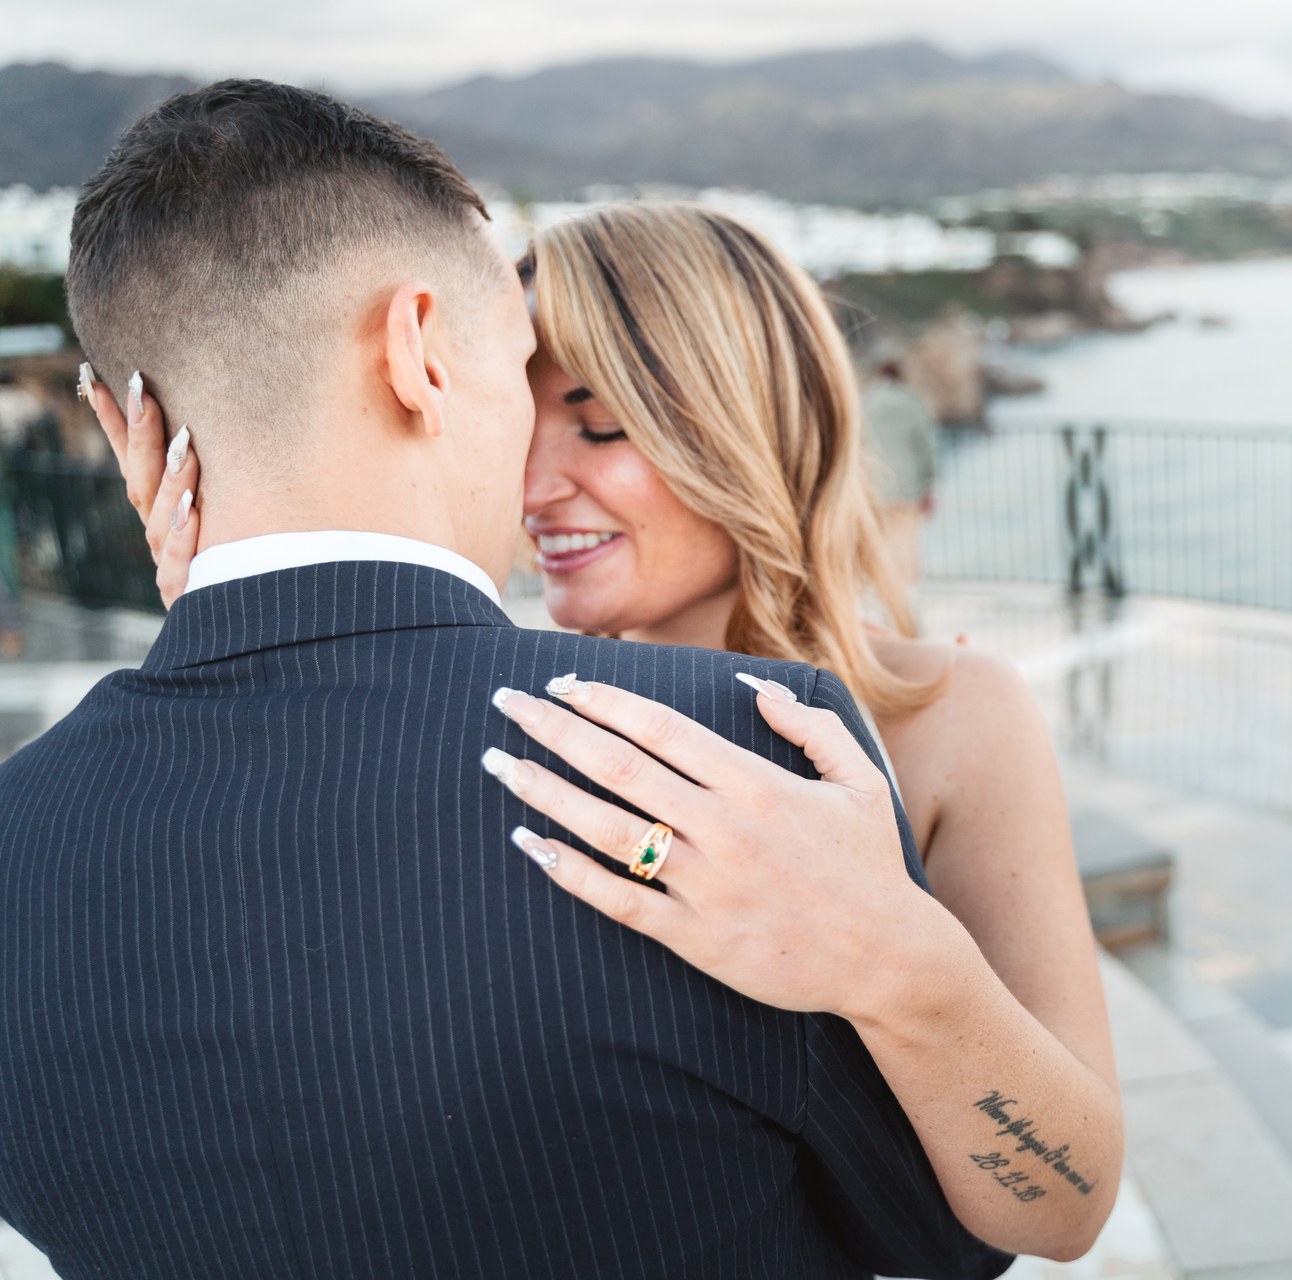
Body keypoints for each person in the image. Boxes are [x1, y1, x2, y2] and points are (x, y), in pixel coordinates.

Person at [0, 80, 1011, 1280]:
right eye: (520, 375)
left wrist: (233, 641)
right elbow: (948, 1232)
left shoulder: (25, 834)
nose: (533, 468)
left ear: (125, 428)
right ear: (415, 348)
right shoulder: (725, 753)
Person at [859, 342, 941, 584]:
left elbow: (859, 445)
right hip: (909, 487)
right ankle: (905, 600)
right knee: (906, 545)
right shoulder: (912, 402)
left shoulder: (867, 402)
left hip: (875, 486)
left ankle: (885, 596)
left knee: (880, 546)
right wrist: (929, 483)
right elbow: (927, 446)